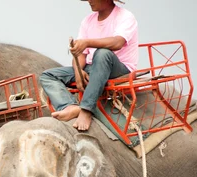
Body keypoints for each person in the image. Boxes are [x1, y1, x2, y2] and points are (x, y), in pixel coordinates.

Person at [39, 0, 138, 131]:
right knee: (48, 76)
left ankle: (86, 110)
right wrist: (78, 71)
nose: (89, 1)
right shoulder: (87, 21)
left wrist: (87, 42)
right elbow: (81, 55)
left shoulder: (125, 16)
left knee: (102, 54)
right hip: (92, 67)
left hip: (119, 69)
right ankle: (69, 107)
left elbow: (117, 42)